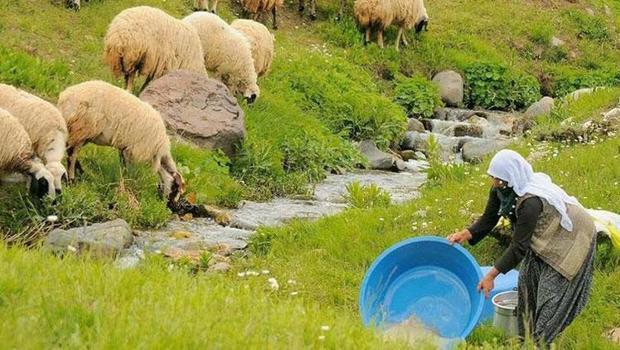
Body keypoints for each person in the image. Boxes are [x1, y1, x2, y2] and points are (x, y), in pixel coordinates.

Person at [447, 149, 597, 345]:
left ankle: (541, 342)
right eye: (493, 177)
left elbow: (519, 247)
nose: (494, 182)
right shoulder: (502, 189)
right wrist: (464, 235)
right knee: (527, 285)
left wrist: (491, 276)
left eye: (498, 179)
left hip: (570, 240)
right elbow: (489, 218)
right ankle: (526, 338)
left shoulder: (531, 201)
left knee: (551, 299)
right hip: (543, 238)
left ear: (511, 179)